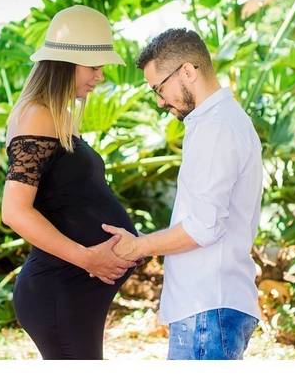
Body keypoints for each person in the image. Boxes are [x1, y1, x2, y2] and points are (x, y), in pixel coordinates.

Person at [102, 28, 263, 360]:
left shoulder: (216, 127)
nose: (160, 102)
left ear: (188, 71)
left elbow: (204, 227)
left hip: (208, 307)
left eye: (159, 89)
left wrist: (137, 246)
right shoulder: (217, 121)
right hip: (209, 306)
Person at [1, 4, 138, 360]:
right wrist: (87, 258)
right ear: (66, 63)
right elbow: (14, 211)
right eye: (94, 67)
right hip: (59, 289)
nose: (100, 77)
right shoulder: (37, 116)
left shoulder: (55, 117)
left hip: (73, 291)